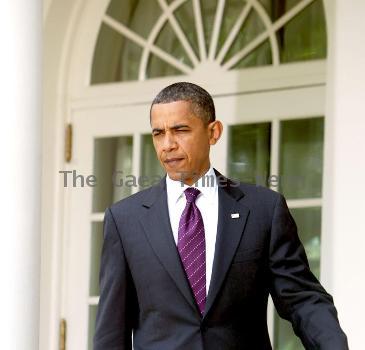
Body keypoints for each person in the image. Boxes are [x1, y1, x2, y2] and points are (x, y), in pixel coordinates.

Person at [93, 82, 348, 350]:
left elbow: (302, 299)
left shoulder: (264, 210)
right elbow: (111, 330)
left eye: (180, 130)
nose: (167, 144)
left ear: (213, 132)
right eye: (158, 133)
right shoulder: (124, 220)